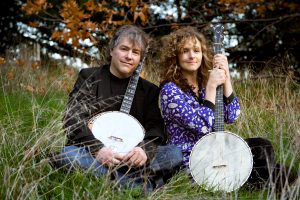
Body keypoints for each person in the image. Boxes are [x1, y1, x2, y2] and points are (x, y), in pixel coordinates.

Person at [158, 26, 297, 190]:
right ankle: (253, 180)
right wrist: (211, 88)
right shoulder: (170, 90)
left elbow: (232, 115)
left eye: (196, 50)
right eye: (185, 51)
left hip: (218, 150)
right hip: (193, 159)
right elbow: (201, 126)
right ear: (176, 56)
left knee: (261, 145)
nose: (191, 56)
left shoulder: (205, 85)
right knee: (275, 173)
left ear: (202, 55)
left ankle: (258, 179)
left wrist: (226, 78)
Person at [51, 25, 182, 192]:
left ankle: (109, 179)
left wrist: (144, 151)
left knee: (175, 154)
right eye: (124, 49)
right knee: (68, 155)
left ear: (140, 58)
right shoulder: (90, 77)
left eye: (135, 52)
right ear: (112, 50)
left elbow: (156, 128)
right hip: (95, 155)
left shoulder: (149, 90)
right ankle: (139, 185)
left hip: (132, 158)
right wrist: (98, 149)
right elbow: (73, 119)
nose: (129, 56)